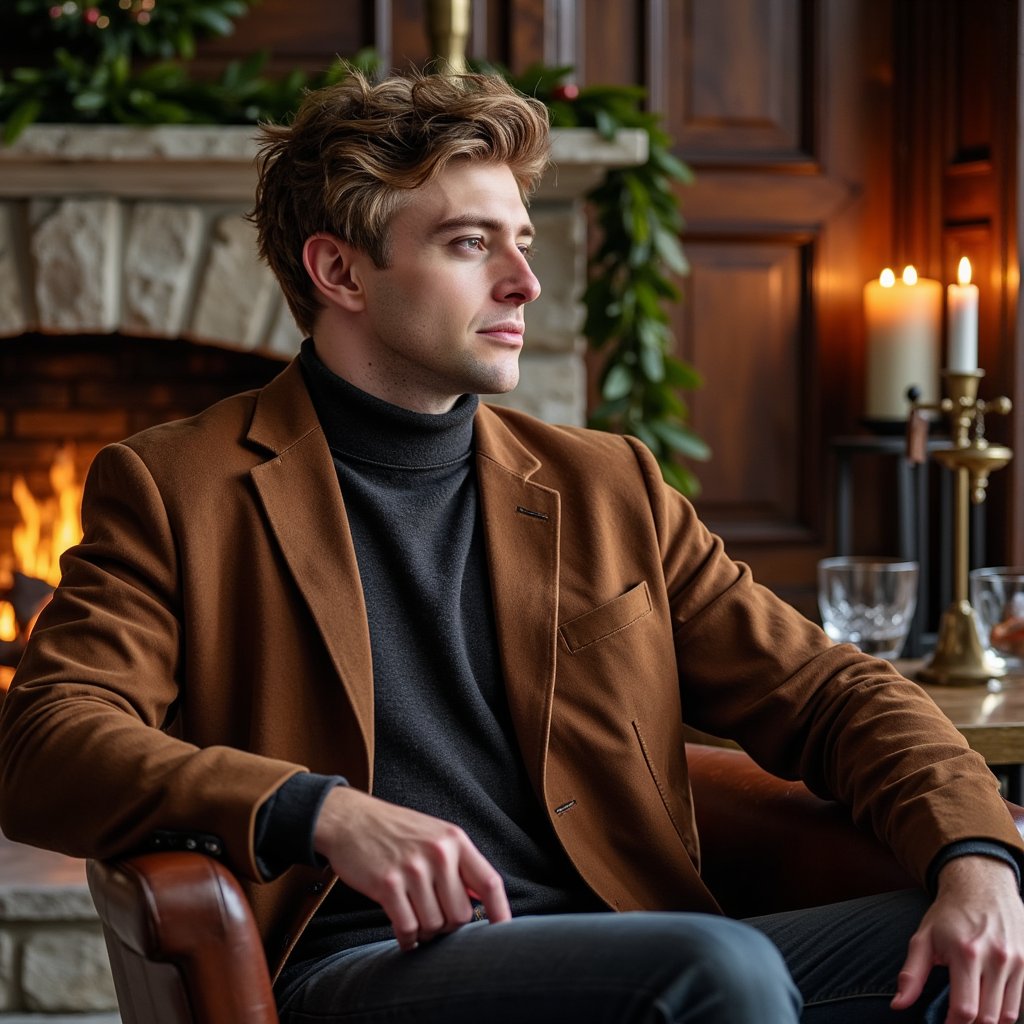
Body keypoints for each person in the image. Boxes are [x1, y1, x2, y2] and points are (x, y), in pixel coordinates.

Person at [1, 68, 1022, 1024]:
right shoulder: (177, 486)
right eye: (468, 244)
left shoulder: (604, 483)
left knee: (990, 935)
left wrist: (976, 855)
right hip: (364, 966)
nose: (524, 283)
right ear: (338, 269)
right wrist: (315, 812)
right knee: (717, 968)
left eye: (522, 238)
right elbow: (44, 740)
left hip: (633, 940)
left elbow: (831, 690)